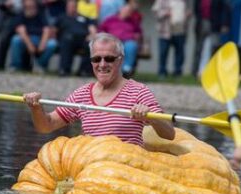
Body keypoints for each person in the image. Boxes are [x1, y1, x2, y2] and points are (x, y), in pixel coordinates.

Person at [22, 33, 175, 145]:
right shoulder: (81, 94)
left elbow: (169, 134)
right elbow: (46, 126)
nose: (102, 64)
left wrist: (151, 117)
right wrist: (36, 108)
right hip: (92, 169)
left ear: (120, 60)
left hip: (126, 171)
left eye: (109, 58)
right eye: (96, 59)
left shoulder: (139, 92)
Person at [9, 0, 57, 72]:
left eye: (32, 3)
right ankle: (16, 66)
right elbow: (21, 30)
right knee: (15, 39)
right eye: (28, 3)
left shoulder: (41, 13)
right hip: (26, 39)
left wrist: (43, 43)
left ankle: (39, 66)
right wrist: (29, 44)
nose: (30, 4)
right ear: (24, 4)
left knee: (52, 44)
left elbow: (47, 29)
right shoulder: (20, 14)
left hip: (40, 39)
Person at [98, 2, 142, 78]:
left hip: (128, 41)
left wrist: (137, 36)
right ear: (121, 10)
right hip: (113, 41)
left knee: (131, 46)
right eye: (127, 10)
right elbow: (101, 30)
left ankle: (126, 70)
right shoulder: (111, 19)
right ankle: (112, 70)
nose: (129, 13)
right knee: (113, 48)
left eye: (130, 11)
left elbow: (138, 32)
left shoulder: (133, 21)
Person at [55, 0, 96, 76]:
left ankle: (84, 71)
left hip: (83, 39)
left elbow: (92, 29)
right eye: (70, 6)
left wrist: (91, 35)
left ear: (77, 7)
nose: (71, 8)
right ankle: (64, 70)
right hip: (67, 39)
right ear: (66, 7)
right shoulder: (61, 17)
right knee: (67, 41)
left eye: (73, 6)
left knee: (91, 44)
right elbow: (54, 31)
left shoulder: (84, 18)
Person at [191, 0, 231, 77]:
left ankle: (213, 73)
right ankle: (194, 72)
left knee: (214, 50)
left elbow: (225, 9)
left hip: (215, 24)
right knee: (198, 49)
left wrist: (224, 24)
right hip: (201, 23)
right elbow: (196, 9)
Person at [152, 0, 190, 78]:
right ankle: (162, 72)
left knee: (180, 54)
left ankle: (177, 72)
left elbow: (187, 12)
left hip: (180, 31)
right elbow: (155, 13)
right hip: (165, 31)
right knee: (163, 53)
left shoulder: (184, 2)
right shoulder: (161, 1)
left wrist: (187, 15)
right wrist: (165, 13)